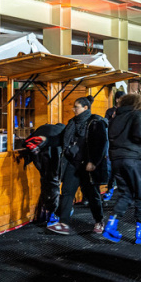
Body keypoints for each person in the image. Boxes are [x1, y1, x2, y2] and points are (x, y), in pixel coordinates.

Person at [47, 96, 108, 235]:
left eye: (76, 107)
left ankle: (99, 220)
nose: (73, 109)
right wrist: (45, 139)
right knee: (67, 192)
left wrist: (93, 162)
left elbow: (101, 144)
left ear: (85, 108)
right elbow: (62, 140)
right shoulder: (71, 123)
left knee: (92, 195)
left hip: (87, 166)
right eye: (74, 106)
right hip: (72, 164)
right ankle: (63, 223)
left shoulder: (95, 122)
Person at [103, 94, 141, 245]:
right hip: (133, 158)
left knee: (125, 193)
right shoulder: (136, 114)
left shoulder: (114, 117)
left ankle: (111, 225)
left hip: (116, 159)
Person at [103, 90, 126, 201]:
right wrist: (112, 118)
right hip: (111, 143)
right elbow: (105, 125)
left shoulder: (126, 112)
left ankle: (123, 193)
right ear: (117, 99)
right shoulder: (110, 111)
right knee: (110, 167)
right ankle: (110, 189)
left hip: (123, 144)